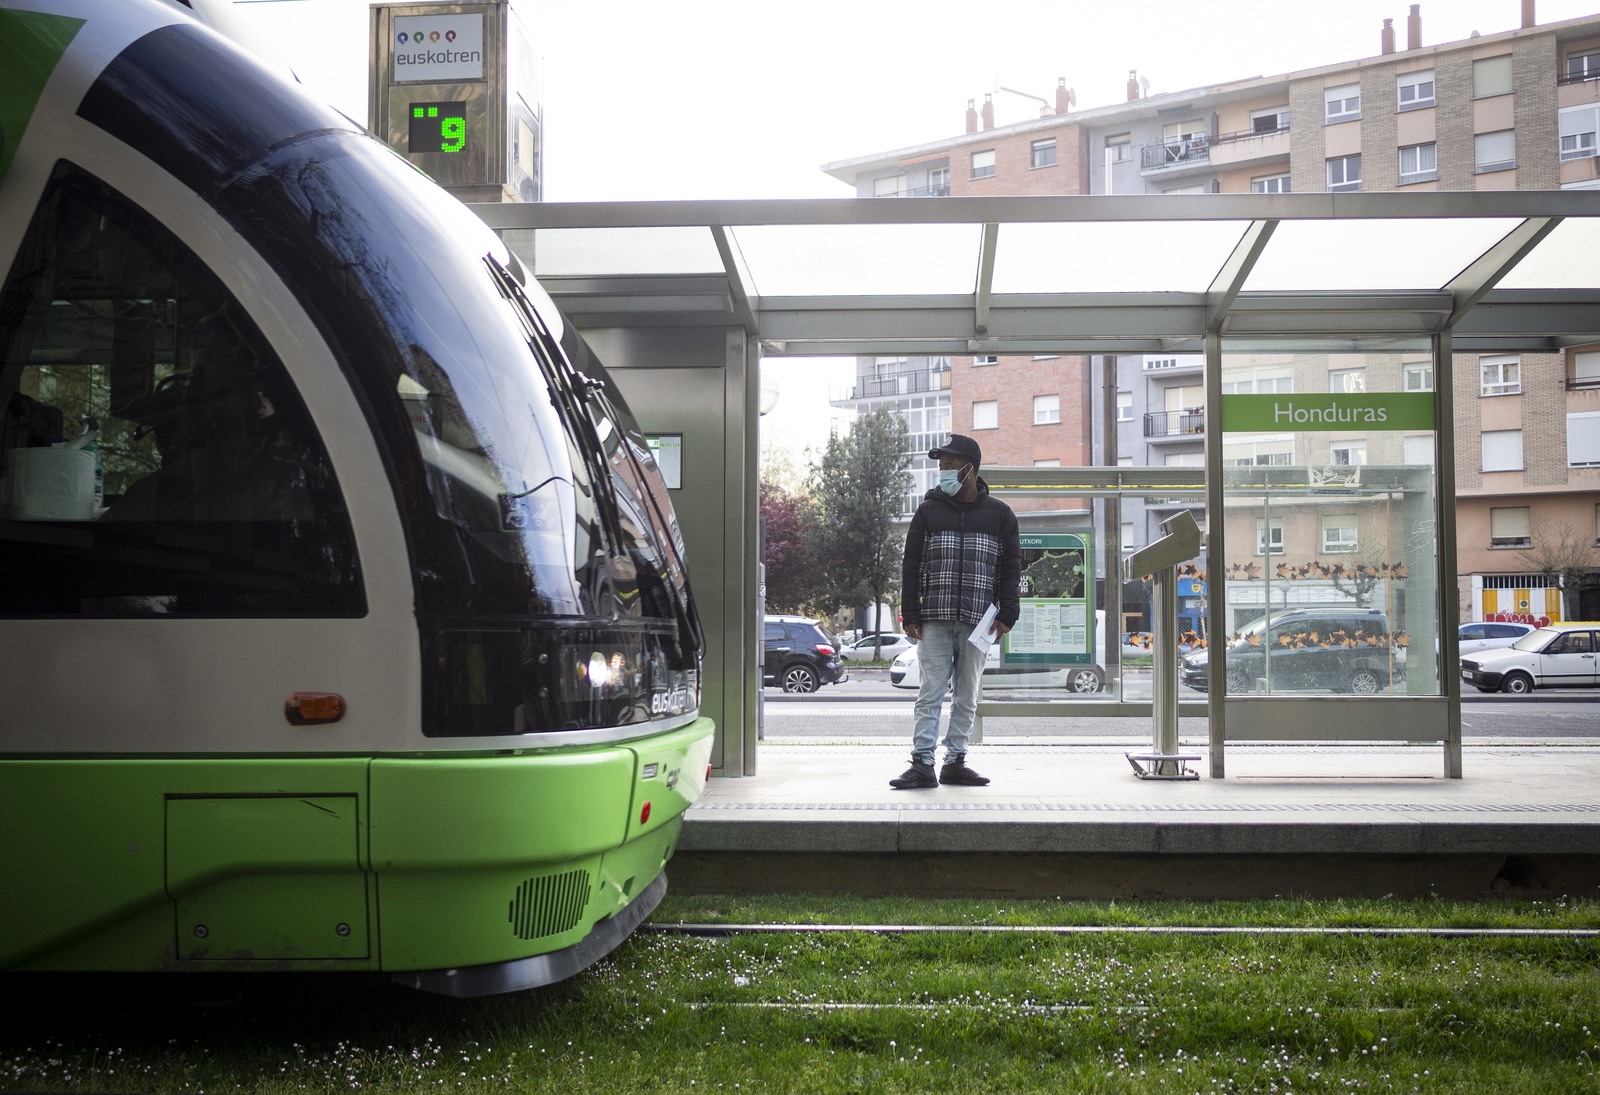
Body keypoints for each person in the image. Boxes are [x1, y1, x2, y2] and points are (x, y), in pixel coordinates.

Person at [890, 434, 1021, 789]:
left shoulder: (1000, 515)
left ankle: (955, 762)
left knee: (967, 694)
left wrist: (1008, 611)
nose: (944, 472)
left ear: (970, 469)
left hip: (980, 621)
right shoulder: (928, 511)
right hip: (934, 618)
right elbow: (911, 565)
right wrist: (910, 613)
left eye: (950, 466)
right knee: (929, 693)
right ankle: (922, 763)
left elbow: (1011, 567)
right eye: (941, 466)